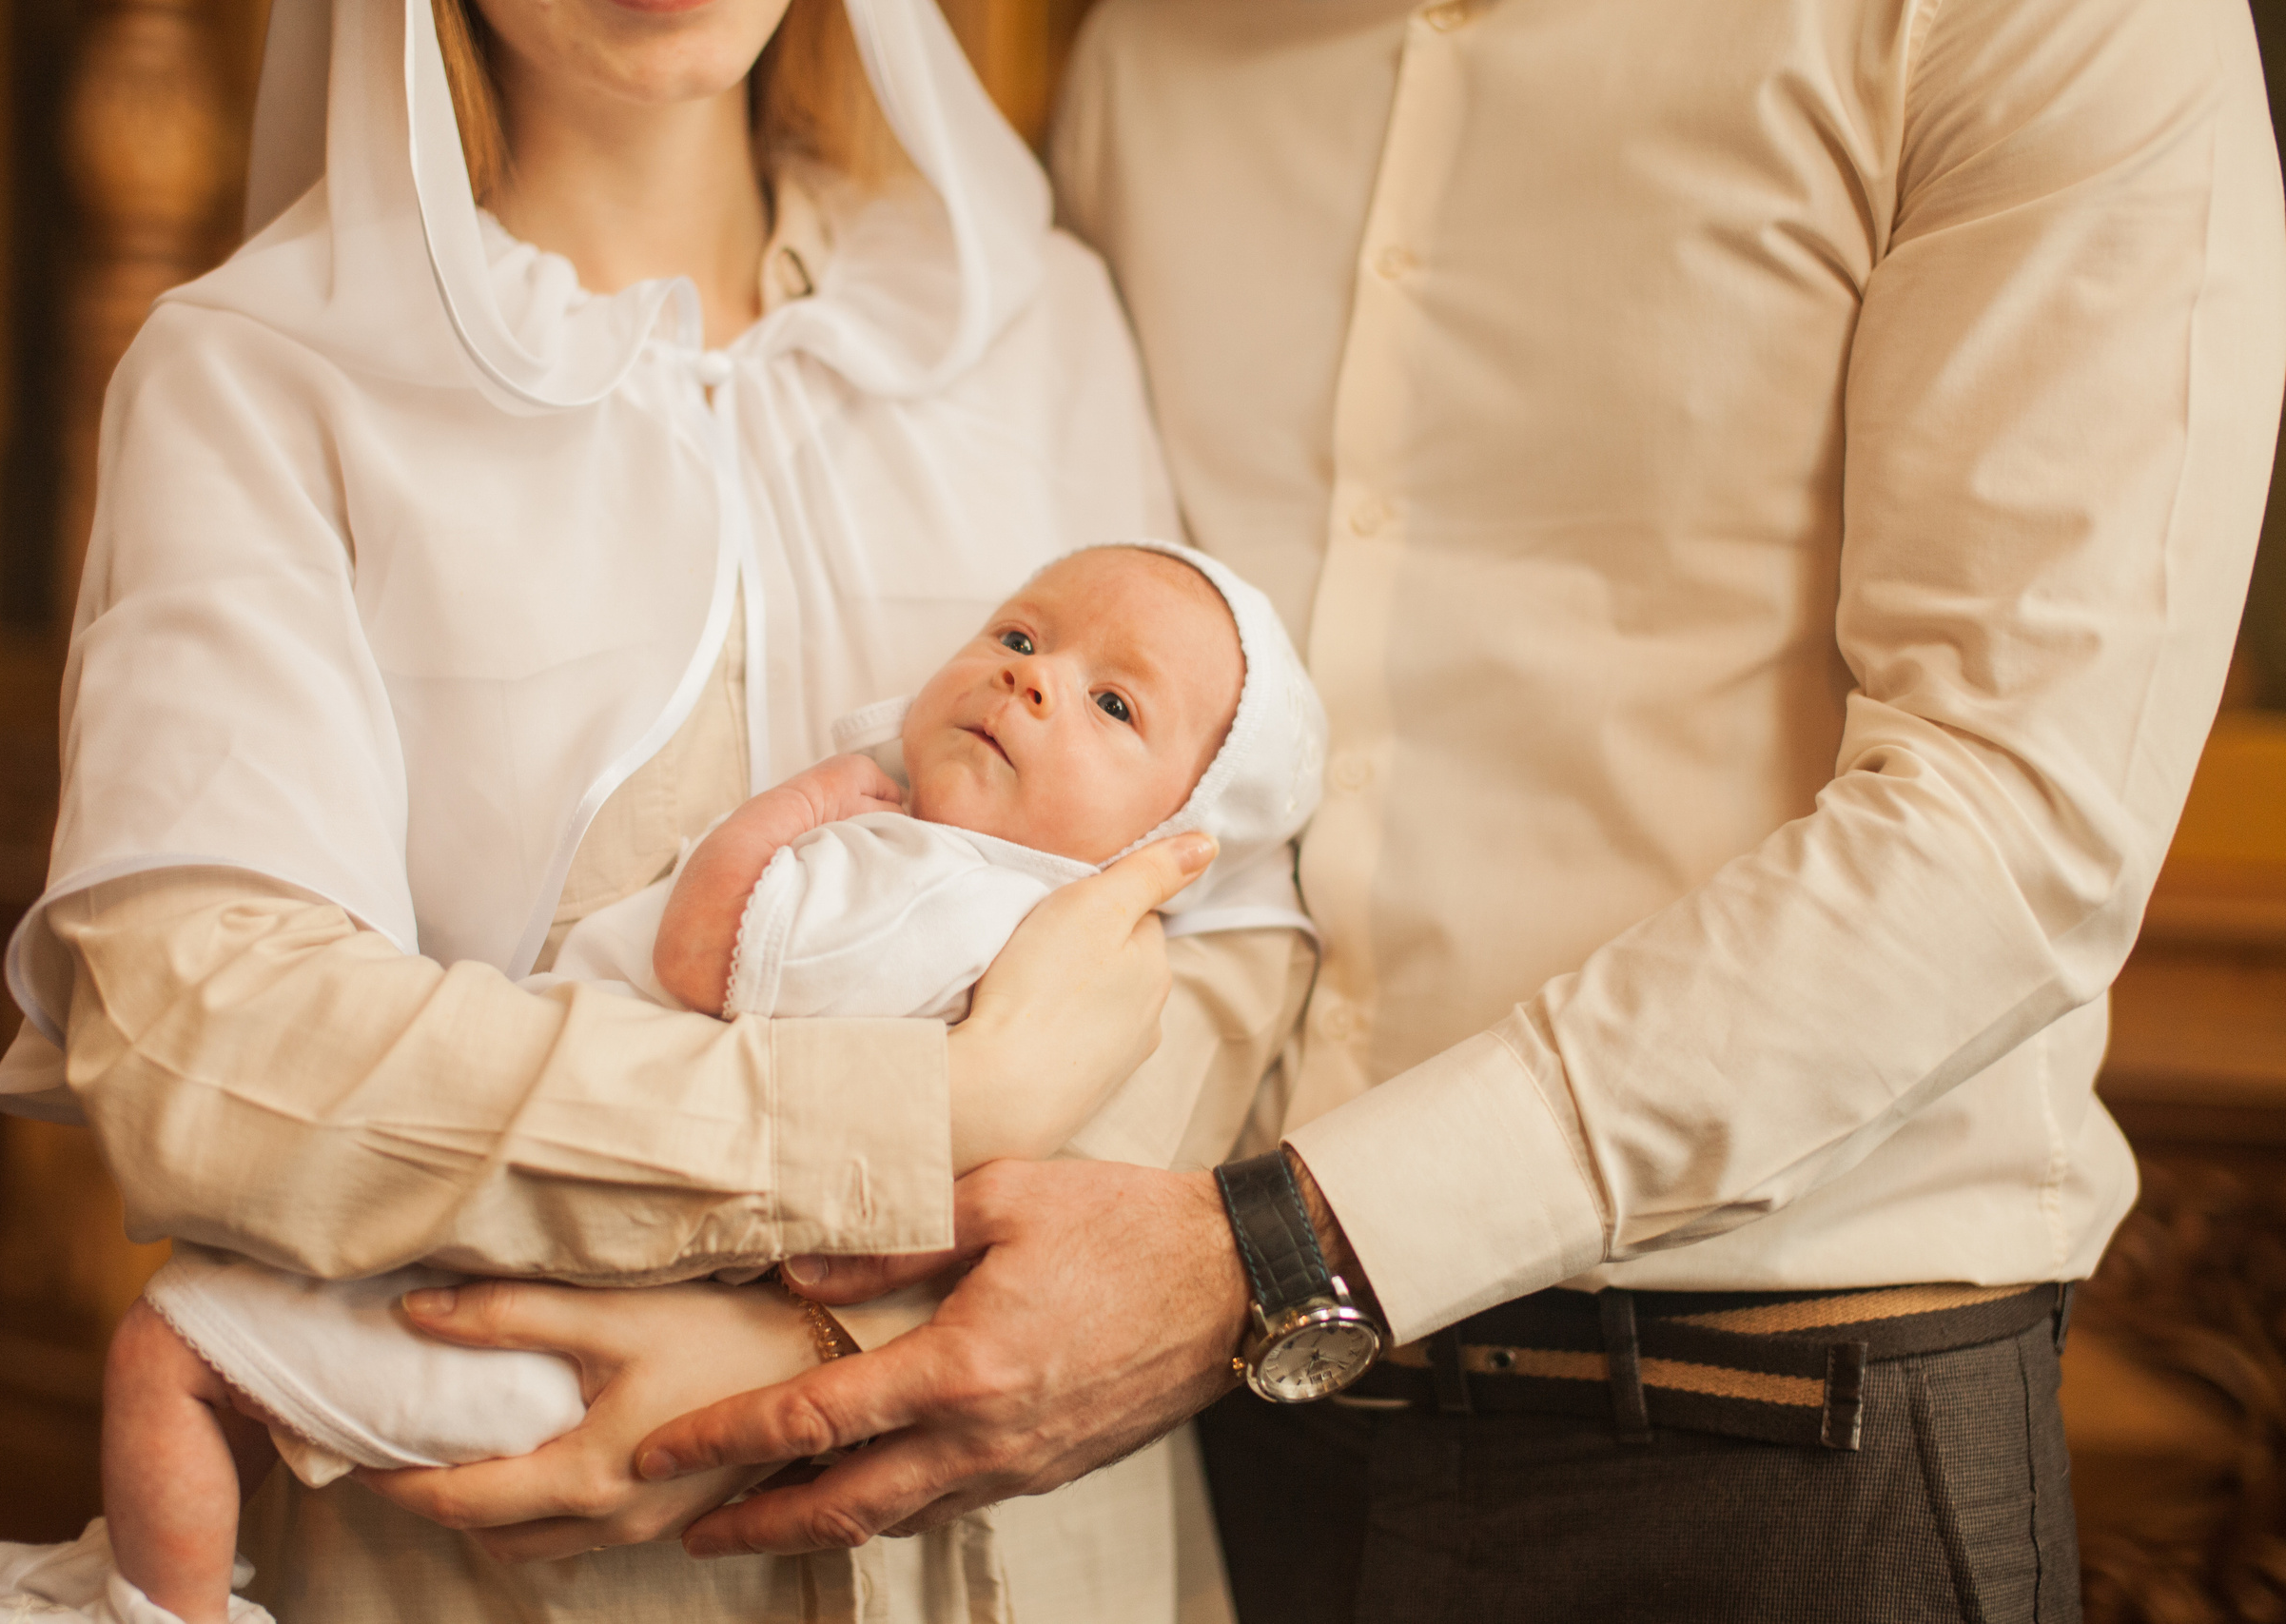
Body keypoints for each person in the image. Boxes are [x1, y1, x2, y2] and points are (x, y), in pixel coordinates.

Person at [393, 0, 2284, 1617]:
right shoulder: (1153, 49)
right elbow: (1110, 839)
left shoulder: (2040, 22)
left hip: (1770, 1425)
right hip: (1182, 1446)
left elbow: (2011, 827)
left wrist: (1288, 1244)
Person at [0, 0, 1317, 1617]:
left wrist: (828, 1349)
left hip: (1029, 1547)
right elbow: (214, 1048)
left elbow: (1227, 930)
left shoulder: (1033, 315)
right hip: (511, 1555)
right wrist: (913, 1117)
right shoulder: (260, 373)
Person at [0, 542, 1319, 1624]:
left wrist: (794, 811)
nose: (1033, 680)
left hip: (590, 1313)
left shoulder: (948, 895)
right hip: (603, 1264)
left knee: (173, 1354)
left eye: (1113, 703)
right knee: (214, 1357)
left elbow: (702, 956)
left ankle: (153, 1605)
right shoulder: (1024, 924)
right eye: (1019, 637)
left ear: (1180, 837)